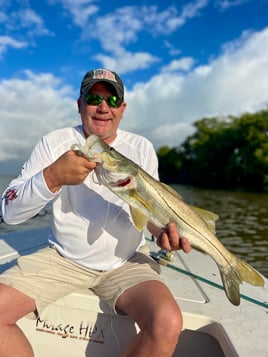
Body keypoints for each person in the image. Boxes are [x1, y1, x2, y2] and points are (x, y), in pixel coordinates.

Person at [0, 68, 191, 357]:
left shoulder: (141, 148)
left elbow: (149, 213)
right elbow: (9, 213)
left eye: (112, 101)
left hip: (127, 262)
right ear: (79, 105)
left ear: (122, 109)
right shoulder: (54, 143)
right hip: (64, 259)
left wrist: (163, 231)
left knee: (168, 321)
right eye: (93, 98)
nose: (103, 107)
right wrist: (51, 177)